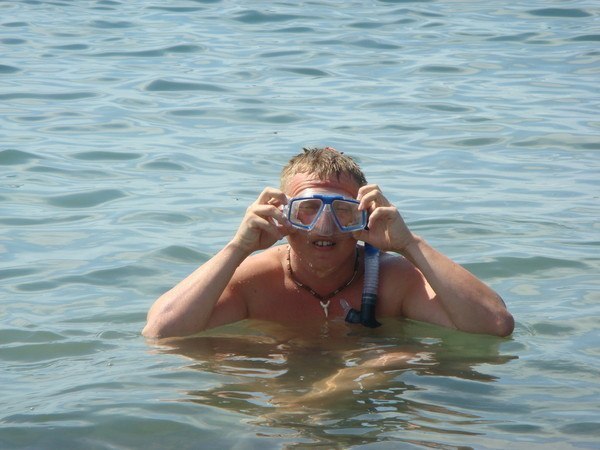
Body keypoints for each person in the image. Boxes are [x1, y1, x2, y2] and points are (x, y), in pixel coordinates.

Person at [142, 147, 514, 339]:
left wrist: (410, 244)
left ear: (365, 216)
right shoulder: (252, 280)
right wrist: (237, 248)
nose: (324, 227)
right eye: (306, 210)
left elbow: (494, 326)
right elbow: (161, 332)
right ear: (280, 215)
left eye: (343, 212)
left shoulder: (394, 280)